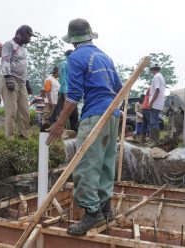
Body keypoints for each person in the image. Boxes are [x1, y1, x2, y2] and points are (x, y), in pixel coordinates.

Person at [47, 18, 122, 236]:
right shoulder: (104, 56)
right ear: (90, 36)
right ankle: (106, 209)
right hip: (112, 114)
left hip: (95, 114)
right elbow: (118, 88)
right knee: (106, 163)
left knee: (87, 164)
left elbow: (74, 95)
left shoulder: (75, 58)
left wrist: (59, 123)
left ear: (73, 41)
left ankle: (92, 212)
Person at [0, 25, 36, 139]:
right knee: (11, 110)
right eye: (29, 35)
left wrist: (27, 82)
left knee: (24, 110)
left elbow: (23, 67)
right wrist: (8, 78)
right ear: (20, 34)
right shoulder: (9, 44)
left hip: (22, 81)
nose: (30, 38)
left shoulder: (23, 49)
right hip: (10, 78)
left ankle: (23, 135)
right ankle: (9, 137)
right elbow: (5, 61)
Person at [49, 50, 79, 132]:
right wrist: (66, 92)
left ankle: (74, 132)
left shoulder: (74, 64)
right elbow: (63, 78)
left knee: (74, 113)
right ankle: (52, 129)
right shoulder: (64, 63)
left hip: (72, 93)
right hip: (65, 93)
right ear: (70, 55)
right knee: (59, 112)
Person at [148, 63, 166, 146]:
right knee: (154, 122)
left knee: (153, 122)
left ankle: (155, 141)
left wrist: (151, 102)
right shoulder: (161, 77)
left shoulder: (156, 77)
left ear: (153, 69)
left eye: (151, 70)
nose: (151, 72)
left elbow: (157, 90)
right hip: (159, 103)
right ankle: (153, 140)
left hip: (155, 103)